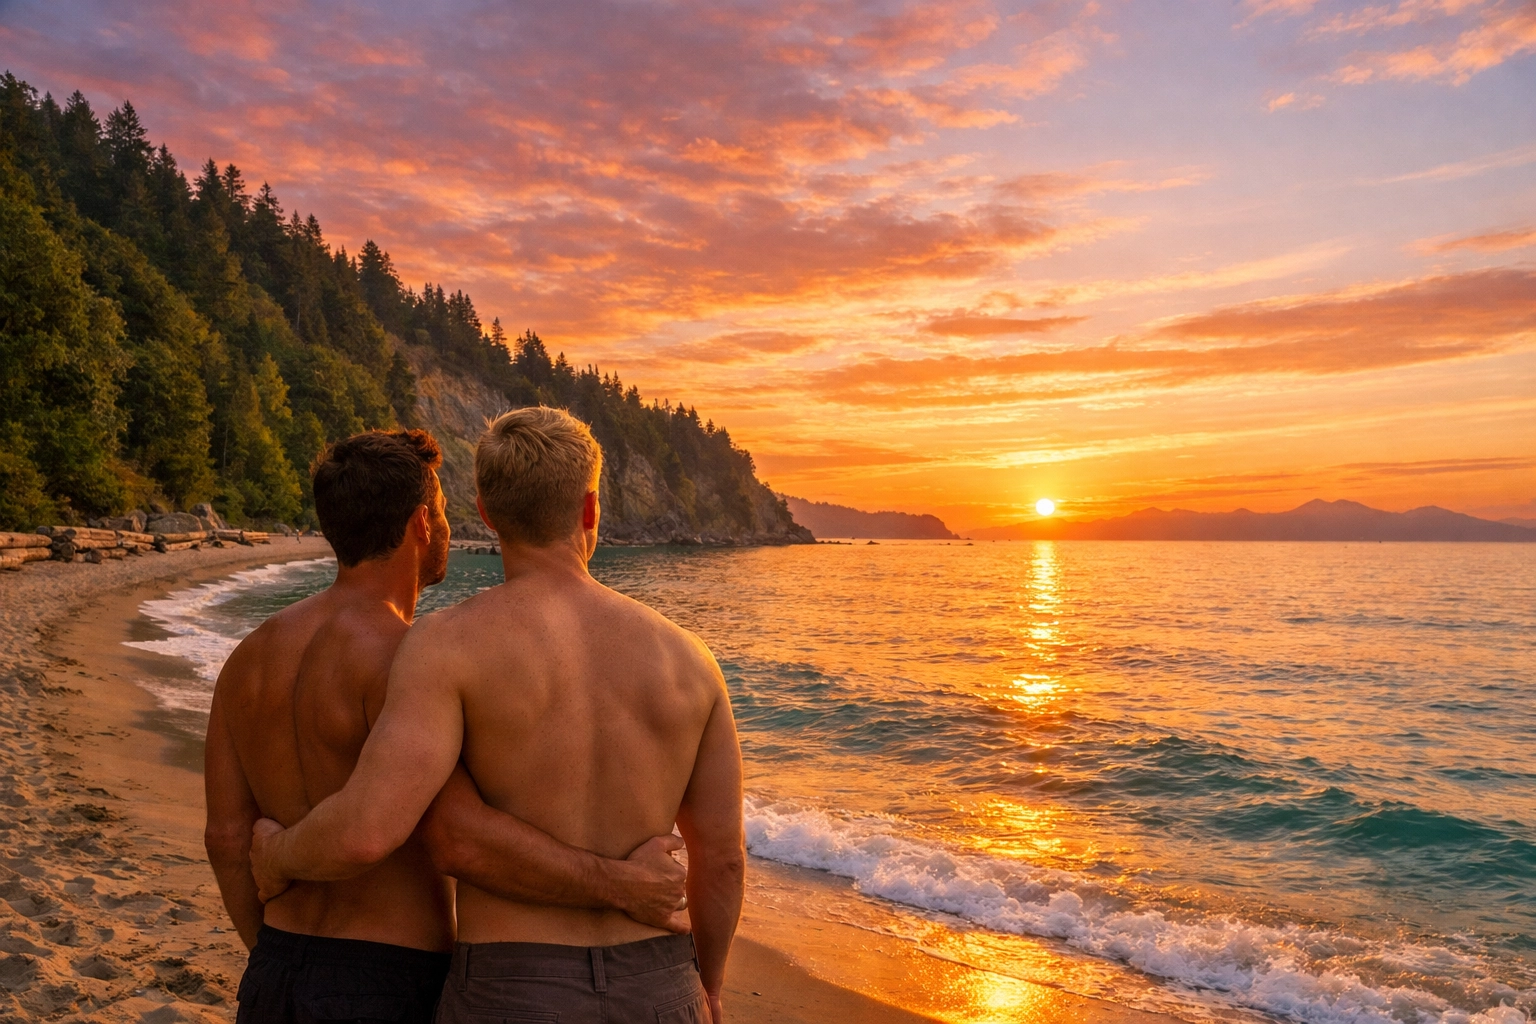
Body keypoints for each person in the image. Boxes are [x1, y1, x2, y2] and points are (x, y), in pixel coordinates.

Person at [249, 408, 746, 1024]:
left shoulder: (445, 645)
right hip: (659, 983)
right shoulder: (691, 661)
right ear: (590, 510)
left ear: (484, 511)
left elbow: (372, 824)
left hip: (511, 985)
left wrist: (277, 856)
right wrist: (711, 985)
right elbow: (722, 858)